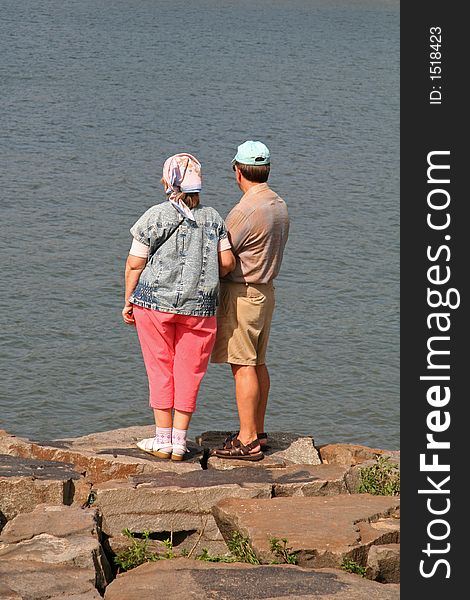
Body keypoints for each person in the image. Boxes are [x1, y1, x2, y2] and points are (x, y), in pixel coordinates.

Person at [122, 153, 235, 461]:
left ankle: (162, 438)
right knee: (190, 371)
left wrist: (128, 299)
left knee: (159, 367)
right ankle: (180, 441)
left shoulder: (154, 216)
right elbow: (226, 264)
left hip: (153, 304)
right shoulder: (214, 218)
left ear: (167, 181)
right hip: (200, 309)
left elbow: (135, 264)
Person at [210, 140, 289, 461]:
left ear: (238, 171)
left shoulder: (245, 210)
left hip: (242, 293)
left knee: (242, 365)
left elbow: (222, 253)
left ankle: (247, 440)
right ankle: (257, 430)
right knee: (257, 362)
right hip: (266, 290)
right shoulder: (278, 203)